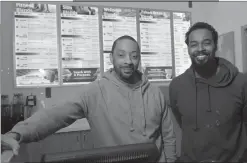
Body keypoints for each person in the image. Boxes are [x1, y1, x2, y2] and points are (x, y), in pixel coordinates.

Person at [2, 35, 176, 163]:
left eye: (134, 56)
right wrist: (16, 134)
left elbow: (168, 136)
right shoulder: (95, 92)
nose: (128, 61)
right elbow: (54, 116)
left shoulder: (154, 93)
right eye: (121, 55)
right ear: (111, 58)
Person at [169, 22, 247, 162]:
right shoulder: (177, 86)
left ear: (215, 46)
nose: (200, 49)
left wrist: (232, 143)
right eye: (194, 44)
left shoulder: (241, 83)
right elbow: (182, 120)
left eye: (206, 43)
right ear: (188, 48)